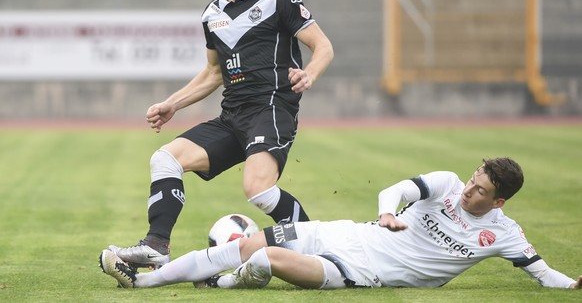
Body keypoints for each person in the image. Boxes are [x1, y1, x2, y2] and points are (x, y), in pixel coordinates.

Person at [106, 0, 334, 270]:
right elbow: (214, 73)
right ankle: (157, 245)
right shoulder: (211, 14)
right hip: (232, 116)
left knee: (257, 189)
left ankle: (316, 246)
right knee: (164, 159)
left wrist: (310, 73)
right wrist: (173, 104)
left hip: (271, 108)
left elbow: (323, 46)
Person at [100, 157, 582, 290]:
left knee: (267, 259)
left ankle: (228, 284)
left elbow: (545, 275)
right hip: (344, 232)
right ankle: (144, 280)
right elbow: (396, 192)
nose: (468, 192)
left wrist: (573, 283)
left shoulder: (503, 235)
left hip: (360, 272)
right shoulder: (447, 182)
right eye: (472, 181)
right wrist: (388, 213)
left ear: (498, 201)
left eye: (479, 191)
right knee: (248, 244)